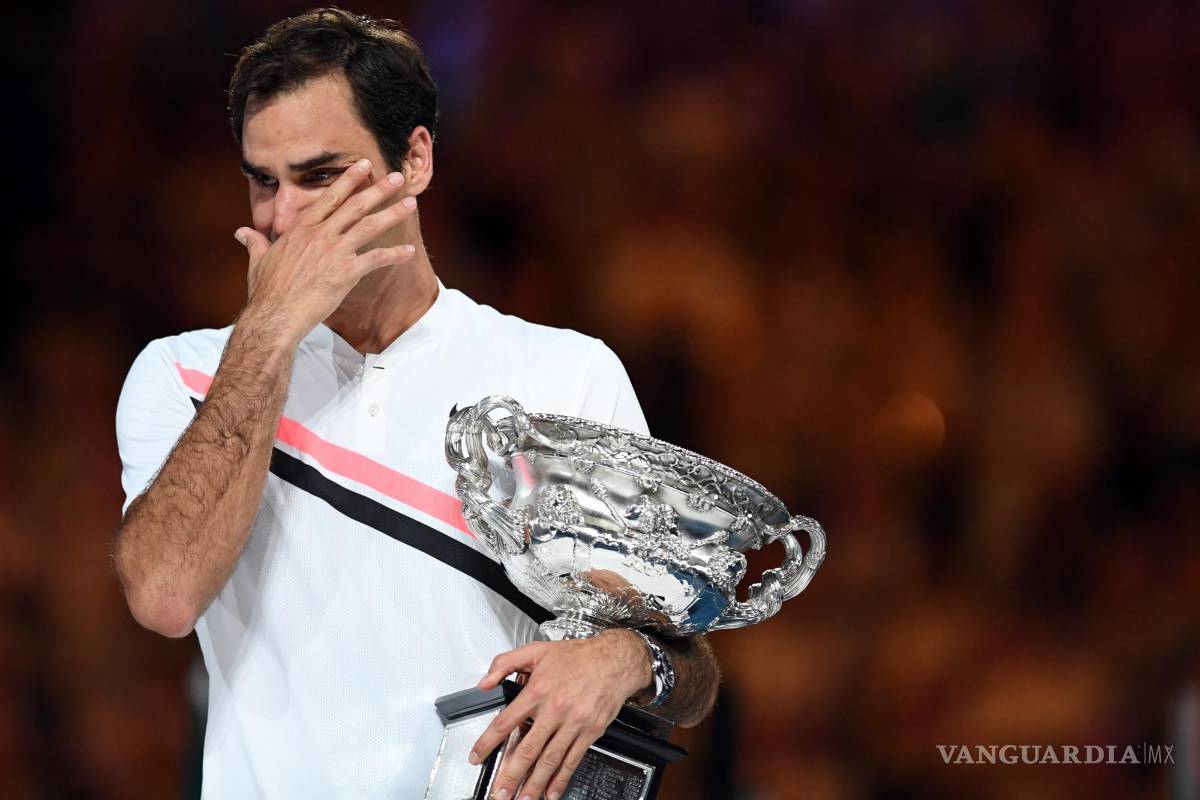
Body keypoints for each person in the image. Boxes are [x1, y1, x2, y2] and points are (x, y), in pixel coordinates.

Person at [112, 8, 719, 799]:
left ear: (417, 161)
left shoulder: (565, 374)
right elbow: (163, 595)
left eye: (322, 176)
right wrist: (267, 334)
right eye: (264, 181)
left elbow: (694, 673)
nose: (285, 217)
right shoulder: (185, 374)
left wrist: (624, 658)